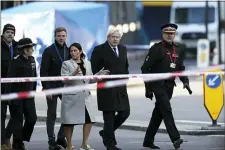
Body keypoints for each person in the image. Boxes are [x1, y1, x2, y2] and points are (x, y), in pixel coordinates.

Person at [141, 23, 192, 149]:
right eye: (167, 33)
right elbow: (145, 68)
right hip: (158, 84)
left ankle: (148, 140)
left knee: (158, 113)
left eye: (172, 33)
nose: (169, 35)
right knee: (167, 110)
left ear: (174, 34)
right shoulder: (156, 49)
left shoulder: (178, 49)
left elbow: (180, 68)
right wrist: (148, 87)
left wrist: (185, 81)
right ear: (163, 34)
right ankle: (175, 138)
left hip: (170, 86)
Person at [60, 43, 109, 150]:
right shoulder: (66, 63)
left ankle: (84, 143)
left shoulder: (88, 63)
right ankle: (69, 145)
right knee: (69, 122)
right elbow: (63, 80)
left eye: (75, 50)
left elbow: (89, 79)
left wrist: (98, 76)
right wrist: (72, 74)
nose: (73, 53)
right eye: (71, 51)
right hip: (72, 96)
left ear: (80, 51)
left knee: (89, 120)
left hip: (85, 96)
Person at [90, 27, 130, 150]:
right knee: (109, 116)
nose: (115, 39)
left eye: (117, 37)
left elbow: (125, 65)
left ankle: (106, 133)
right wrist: (99, 74)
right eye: (113, 36)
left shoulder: (123, 49)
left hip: (120, 87)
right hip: (106, 88)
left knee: (125, 113)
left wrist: (126, 77)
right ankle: (110, 144)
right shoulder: (99, 50)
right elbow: (94, 68)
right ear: (108, 37)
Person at [5, 38, 38, 150]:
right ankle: (18, 145)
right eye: (30, 47)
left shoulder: (32, 60)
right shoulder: (15, 62)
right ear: (24, 50)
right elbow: (9, 80)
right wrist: (8, 97)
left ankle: (20, 139)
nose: (32, 49)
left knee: (32, 119)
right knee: (17, 121)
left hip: (29, 96)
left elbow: (34, 78)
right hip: (16, 96)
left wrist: (33, 92)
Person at [40, 27, 69, 150]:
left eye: (63, 36)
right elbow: (43, 71)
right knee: (51, 114)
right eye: (59, 36)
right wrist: (46, 88)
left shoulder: (69, 50)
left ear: (66, 36)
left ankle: (61, 137)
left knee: (68, 112)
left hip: (65, 86)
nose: (61, 38)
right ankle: (51, 142)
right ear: (55, 36)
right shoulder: (49, 51)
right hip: (52, 86)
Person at [1, 23, 18, 150]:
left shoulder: (18, 47)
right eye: (8, 32)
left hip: (15, 88)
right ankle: (2, 143)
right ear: (3, 34)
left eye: (12, 32)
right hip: (2, 87)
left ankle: (7, 136)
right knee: (1, 115)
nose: (10, 34)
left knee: (17, 115)